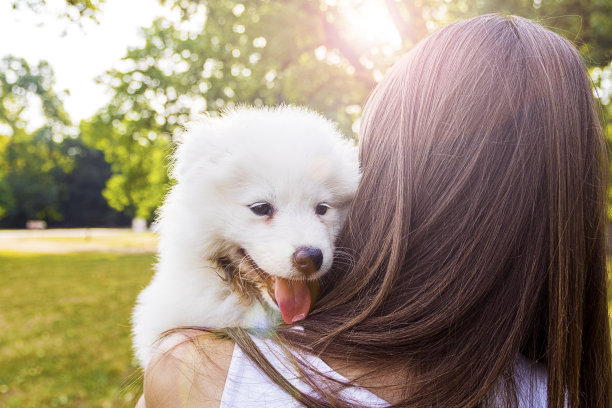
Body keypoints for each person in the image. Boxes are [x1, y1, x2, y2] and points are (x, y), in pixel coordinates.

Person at [138, 14, 612, 408]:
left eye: (324, 209)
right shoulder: (563, 393)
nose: (307, 245)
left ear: (385, 181)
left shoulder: (197, 373)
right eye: (263, 208)